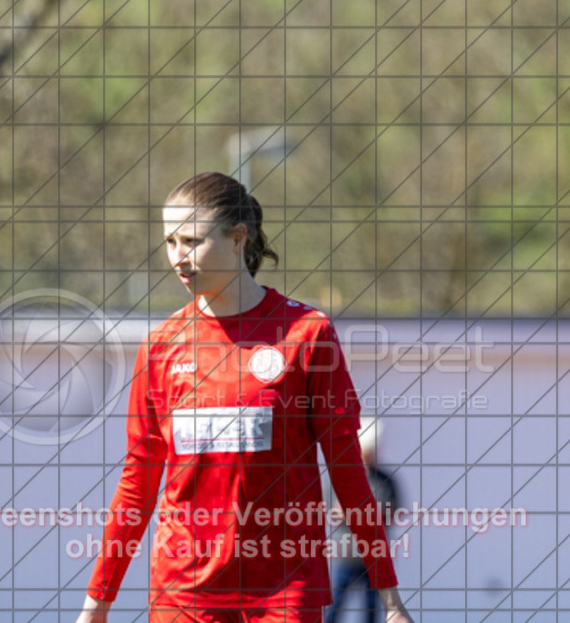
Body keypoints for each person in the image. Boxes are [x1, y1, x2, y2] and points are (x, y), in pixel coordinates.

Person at [76, 172, 414, 623]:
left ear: (238, 238)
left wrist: (389, 598)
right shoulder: (160, 347)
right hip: (183, 596)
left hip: (283, 593)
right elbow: (137, 485)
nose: (178, 257)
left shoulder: (307, 335)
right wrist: (96, 605)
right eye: (170, 242)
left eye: (192, 241)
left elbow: (348, 472)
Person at [325, 417, 401, 623]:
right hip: (347, 554)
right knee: (335, 606)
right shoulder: (341, 476)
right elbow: (333, 511)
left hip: (374, 557)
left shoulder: (385, 480)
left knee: (371, 609)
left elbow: (392, 511)